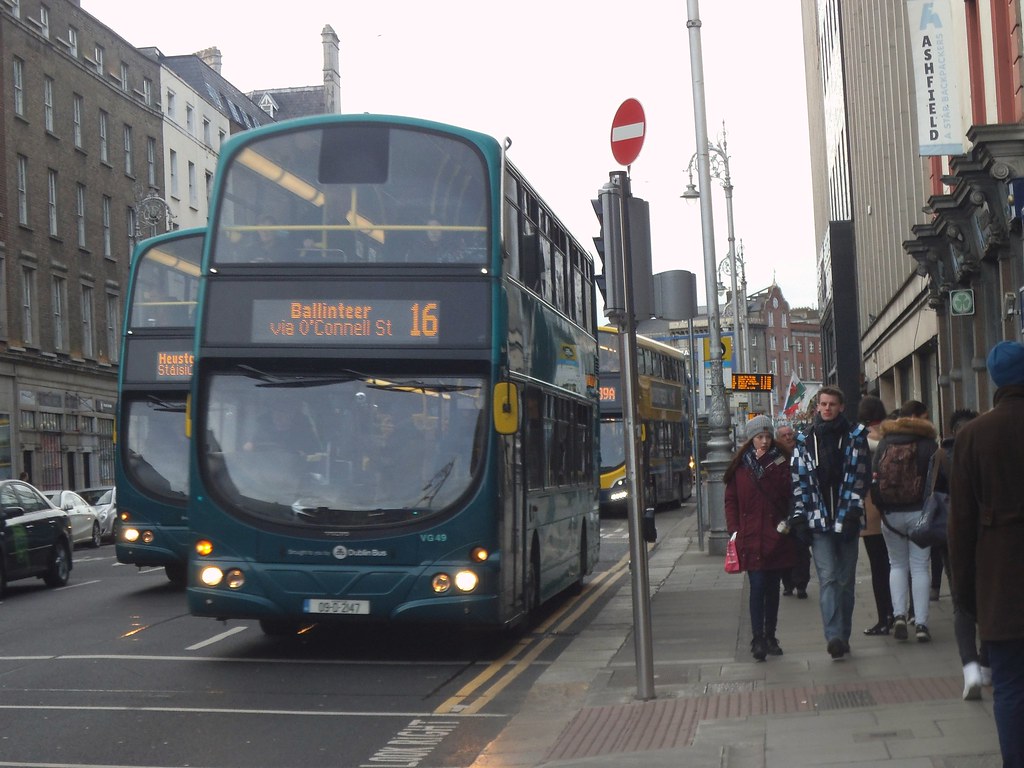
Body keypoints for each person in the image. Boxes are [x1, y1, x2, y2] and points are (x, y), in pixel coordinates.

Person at [950, 340, 1024, 764]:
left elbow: (960, 526)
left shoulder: (973, 435)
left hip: (1000, 579)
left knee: (1010, 686)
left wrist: (965, 595)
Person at [791, 385, 870, 660]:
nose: (827, 408)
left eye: (832, 404)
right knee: (828, 578)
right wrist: (800, 517)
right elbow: (799, 481)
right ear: (817, 407)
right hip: (818, 520)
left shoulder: (855, 437)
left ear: (841, 407)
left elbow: (861, 477)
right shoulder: (805, 440)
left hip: (847, 518)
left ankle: (844, 634)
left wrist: (853, 512)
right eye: (823, 404)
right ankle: (833, 636)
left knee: (846, 581)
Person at [725, 415, 797, 661]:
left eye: (767, 436)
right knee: (756, 587)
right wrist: (734, 529)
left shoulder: (780, 460)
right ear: (750, 439)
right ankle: (757, 639)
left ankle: (770, 636)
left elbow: (786, 490)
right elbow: (731, 499)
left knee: (772, 589)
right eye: (759, 437)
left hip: (775, 535)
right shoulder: (741, 466)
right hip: (750, 536)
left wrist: (767, 464)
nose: (764, 441)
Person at [931, 407, 987, 700]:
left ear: (951, 432)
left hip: (952, 538)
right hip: (988, 537)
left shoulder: (942, 456)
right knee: (989, 599)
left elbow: (932, 497)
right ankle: (987, 661)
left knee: (961, 604)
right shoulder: (989, 454)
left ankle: (971, 668)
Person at [873, 399, 938, 643]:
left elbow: (874, 477)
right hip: (919, 513)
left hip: (891, 515)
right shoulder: (928, 443)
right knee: (920, 567)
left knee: (897, 565)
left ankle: (899, 614)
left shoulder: (885, 442)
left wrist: (882, 507)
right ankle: (921, 623)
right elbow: (935, 481)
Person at [858, 395, 894, 636]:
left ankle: (884, 617)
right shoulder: (895, 435)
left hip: (871, 508)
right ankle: (908, 612)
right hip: (898, 505)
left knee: (878, 566)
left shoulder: (860, 440)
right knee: (901, 563)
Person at [776, 422, 810, 599]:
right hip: (784, 509)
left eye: (790, 434)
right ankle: (788, 583)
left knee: (802, 546)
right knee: (785, 546)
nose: (789, 438)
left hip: (801, 507)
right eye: (784, 435)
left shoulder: (803, 452)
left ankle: (801, 584)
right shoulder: (778, 458)